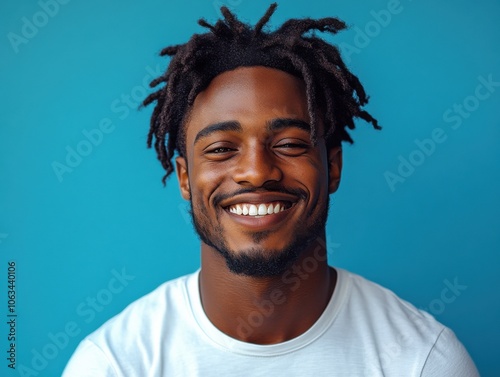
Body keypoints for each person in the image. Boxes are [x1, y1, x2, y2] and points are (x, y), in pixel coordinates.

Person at [63, 3, 479, 376]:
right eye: (222, 149)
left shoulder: (423, 361)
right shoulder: (114, 364)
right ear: (185, 179)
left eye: (290, 144)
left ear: (332, 166)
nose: (257, 172)